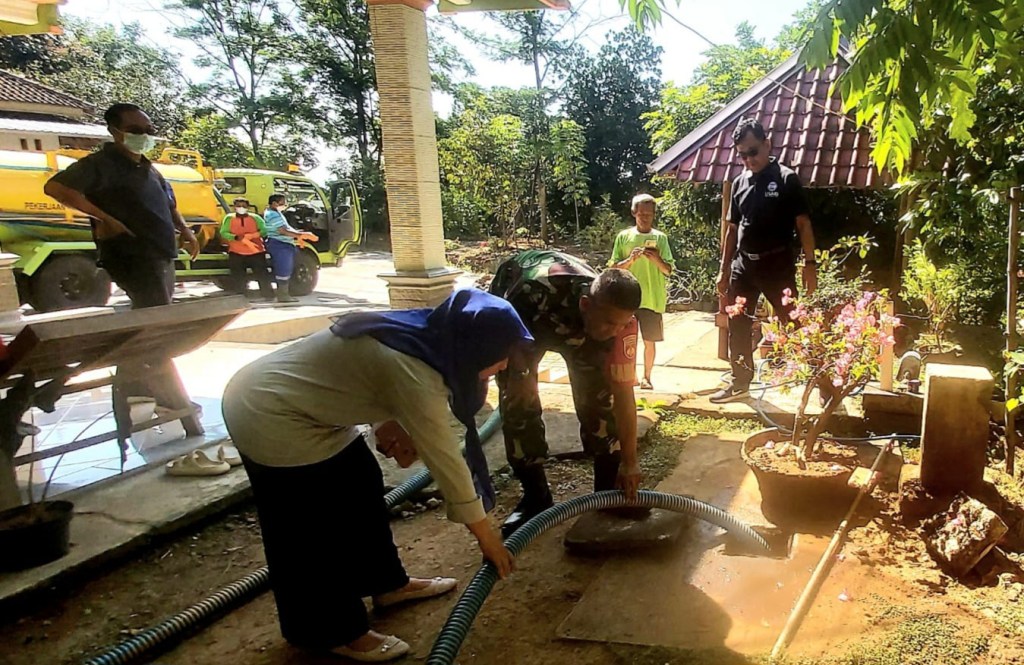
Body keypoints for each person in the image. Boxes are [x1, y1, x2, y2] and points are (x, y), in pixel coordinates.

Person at [221, 288, 529, 662]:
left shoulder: (424, 337)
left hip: (308, 409)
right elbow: (447, 463)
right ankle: (331, 631)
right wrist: (488, 538)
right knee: (313, 525)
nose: (502, 368)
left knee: (360, 484)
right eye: (499, 360)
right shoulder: (416, 370)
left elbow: (352, 373)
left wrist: (386, 423)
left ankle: (386, 585)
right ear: (475, 348)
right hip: (269, 413)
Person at [489, 250, 644, 537]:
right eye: (610, 323)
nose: (616, 331)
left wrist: (630, 461)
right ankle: (536, 497)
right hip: (525, 321)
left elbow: (623, 395)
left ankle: (607, 492)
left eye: (622, 324)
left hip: (580, 328)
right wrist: (521, 375)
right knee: (519, 403)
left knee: (600, 401)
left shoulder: (622, 327)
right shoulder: (534, 292)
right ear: (586, 305)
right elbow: (505, 329)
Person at [43, 103, 200, 308]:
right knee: (155, 313)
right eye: (135, 130)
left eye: (148, 130)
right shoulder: (101, 164)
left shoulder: (148, 168)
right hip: (131, 254)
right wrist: (105, 219)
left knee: (159, 312)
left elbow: (169, 203)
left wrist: (185, 229)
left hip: (160, 253)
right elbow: (56, 188)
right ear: (114, 131)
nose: (143, 135)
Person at [711, 118, 817, 404]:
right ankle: (740, 381)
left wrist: (810, 265)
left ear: (768, 144)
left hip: (777, 266)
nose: (749, 159)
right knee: (738, 324)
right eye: (742, 154)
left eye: (753, 151)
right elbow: (732, 230)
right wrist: (724, 270)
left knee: (795, 325)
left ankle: (823, 383)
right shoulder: (739, 183)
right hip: (744, 266)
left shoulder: (785, 179)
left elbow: (803, 224)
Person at [609, 193, 675, 390]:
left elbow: (668, 270)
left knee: (649, 340)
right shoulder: (624, 237)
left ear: (654, 215)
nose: (645, 217)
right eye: (641, 213)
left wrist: (655, 258)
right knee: (626, 340)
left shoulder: (660, 238)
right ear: (633, 213)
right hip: (627, 297)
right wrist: (631, 259)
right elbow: (614, 268)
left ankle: (647, 377)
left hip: (652, 299)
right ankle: (631, 376)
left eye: (649, 214)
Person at [262, 193, 318, 303]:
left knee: (287, 268)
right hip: (279, 244)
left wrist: (298, 236)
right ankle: (283, 296)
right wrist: (301, 235)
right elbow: (282, 230)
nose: (285, 205)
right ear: (274, 203)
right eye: (282, 203)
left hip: (284, 244)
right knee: (283, 269)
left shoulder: (276, 213)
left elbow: (286, 228)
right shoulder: (272, 215)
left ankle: (284, 294)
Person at [219, 197, 275, 302]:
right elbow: (223, 232)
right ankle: (241, 296)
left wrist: (254, 235)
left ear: (248, 207)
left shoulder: (256, 218)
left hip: (256, 251)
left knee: (262, 273)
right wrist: (235, 237)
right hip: (236, 251)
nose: (241, 208)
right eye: (238, 206)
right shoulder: (229, 218)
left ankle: (268, 295)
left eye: (244, 206)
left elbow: (264, 230)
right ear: (234, 207)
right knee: (238, 275)